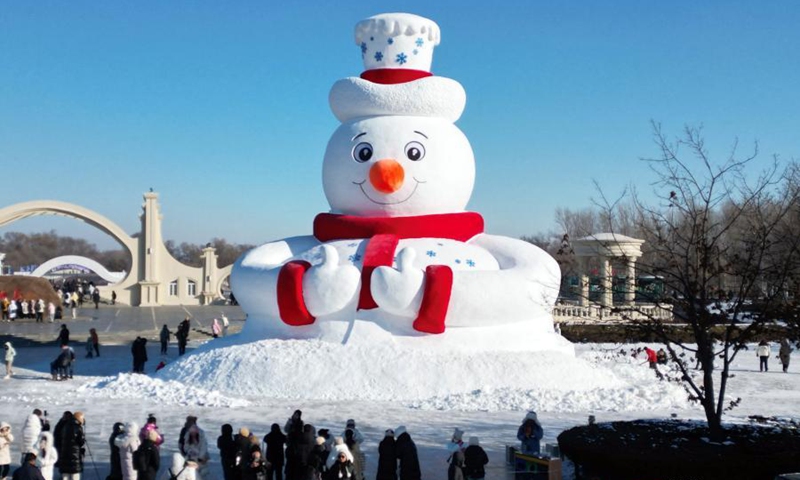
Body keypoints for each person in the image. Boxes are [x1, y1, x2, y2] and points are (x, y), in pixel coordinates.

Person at [58, 411, 85, 480]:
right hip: (74, 456)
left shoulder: (65, 426)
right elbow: (81, 442)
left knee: (65, 475)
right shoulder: (77, 428)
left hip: (64, 455)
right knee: (75, 475)